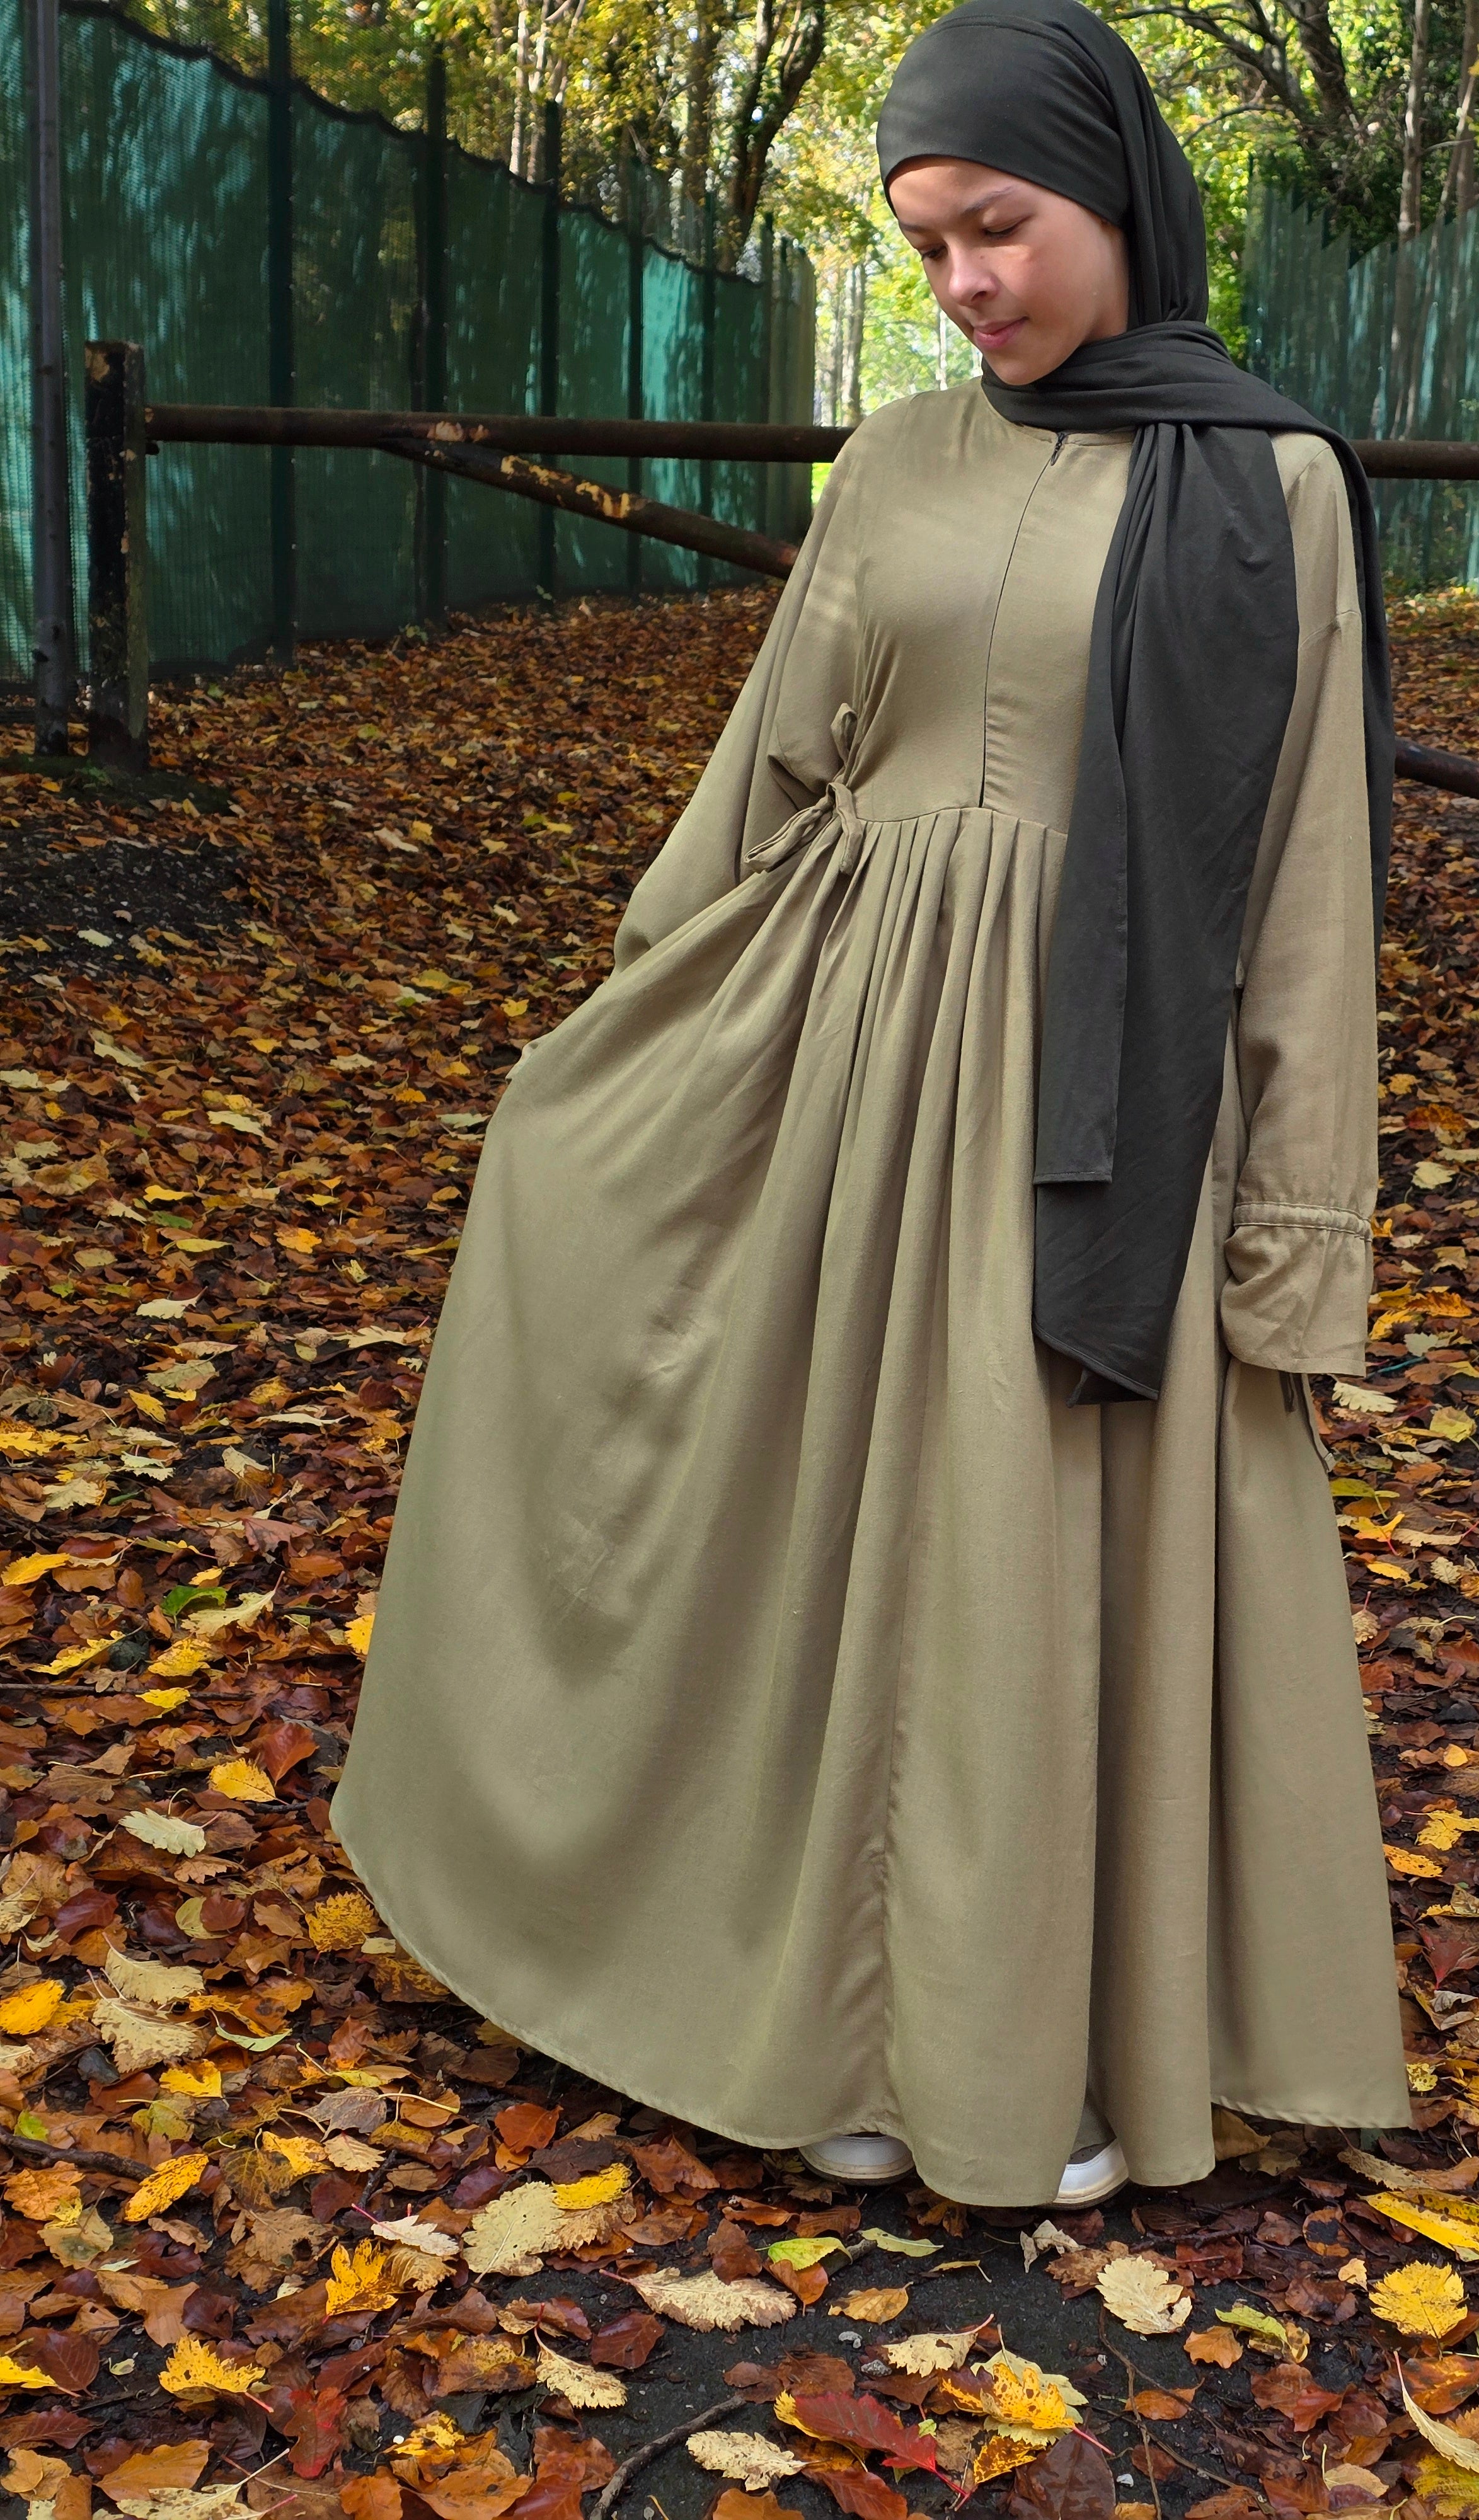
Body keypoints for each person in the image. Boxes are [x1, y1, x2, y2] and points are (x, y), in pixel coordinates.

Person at [332, 0, 1409, 2212]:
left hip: (1106, 1112)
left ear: (1116, 188)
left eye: (999, 228)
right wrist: (640, 1044)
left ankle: (1022, 2054)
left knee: (1025, 1561)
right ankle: (815, 2006)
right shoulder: (902, 457)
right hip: (840, 1065)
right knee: (831, 1548)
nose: (968, 286)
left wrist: (1299, 1234)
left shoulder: (1273, 486)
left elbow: (1304, 894)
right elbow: (770, 779)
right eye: (927, 246)